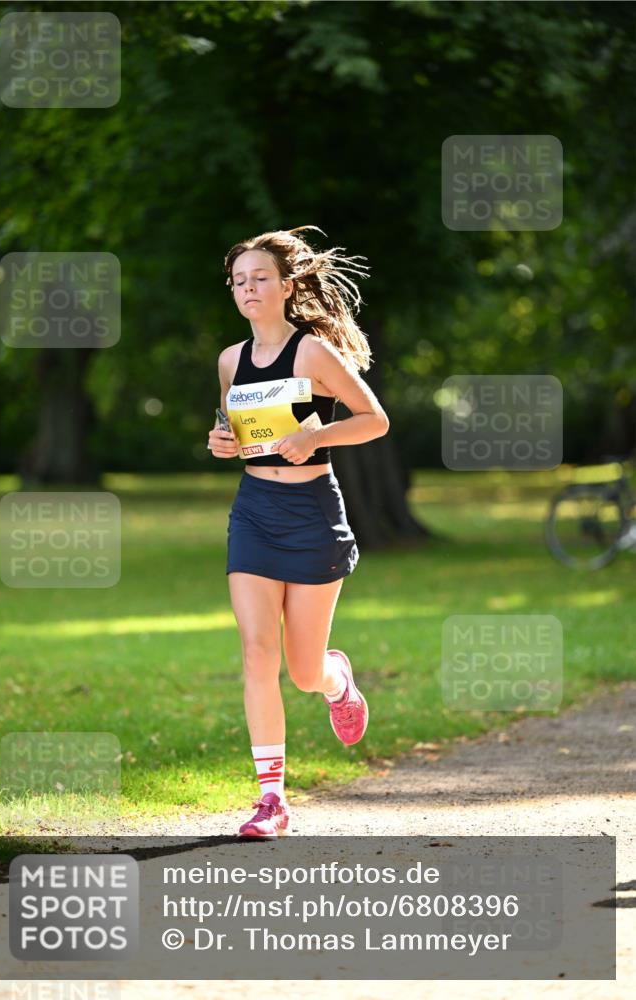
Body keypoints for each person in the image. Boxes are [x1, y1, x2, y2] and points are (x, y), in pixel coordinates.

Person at [207, 225, 390, 838]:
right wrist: (222, 441)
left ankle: (337, 680)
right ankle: (271, 800)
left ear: (286, 286)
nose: (248, 289)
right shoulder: (231, 360)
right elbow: (236, 431)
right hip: (254, 512)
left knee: (303, 671)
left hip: (313, 512)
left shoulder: (313, 354)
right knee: (257, 652)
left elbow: (374, 420)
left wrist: (315, 436)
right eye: (239, 281)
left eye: (260, 278)